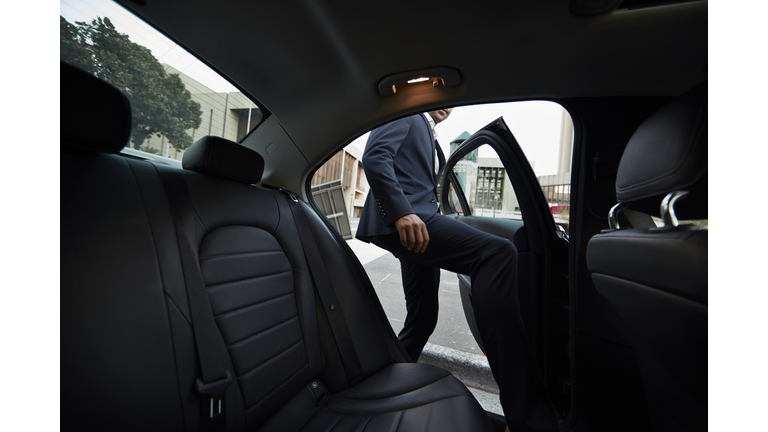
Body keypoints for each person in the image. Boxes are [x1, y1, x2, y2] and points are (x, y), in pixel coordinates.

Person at [356, 109, 558, 432]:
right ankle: (529, 419)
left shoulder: (432, 139)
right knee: (497, 252)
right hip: (407, 222)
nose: (446, 108)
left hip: (418, 225)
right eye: (441, 101)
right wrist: (400, 213)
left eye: (451, 105)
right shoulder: (406, 113)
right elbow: (375, 156)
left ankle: (382, 386)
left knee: (423, 318)